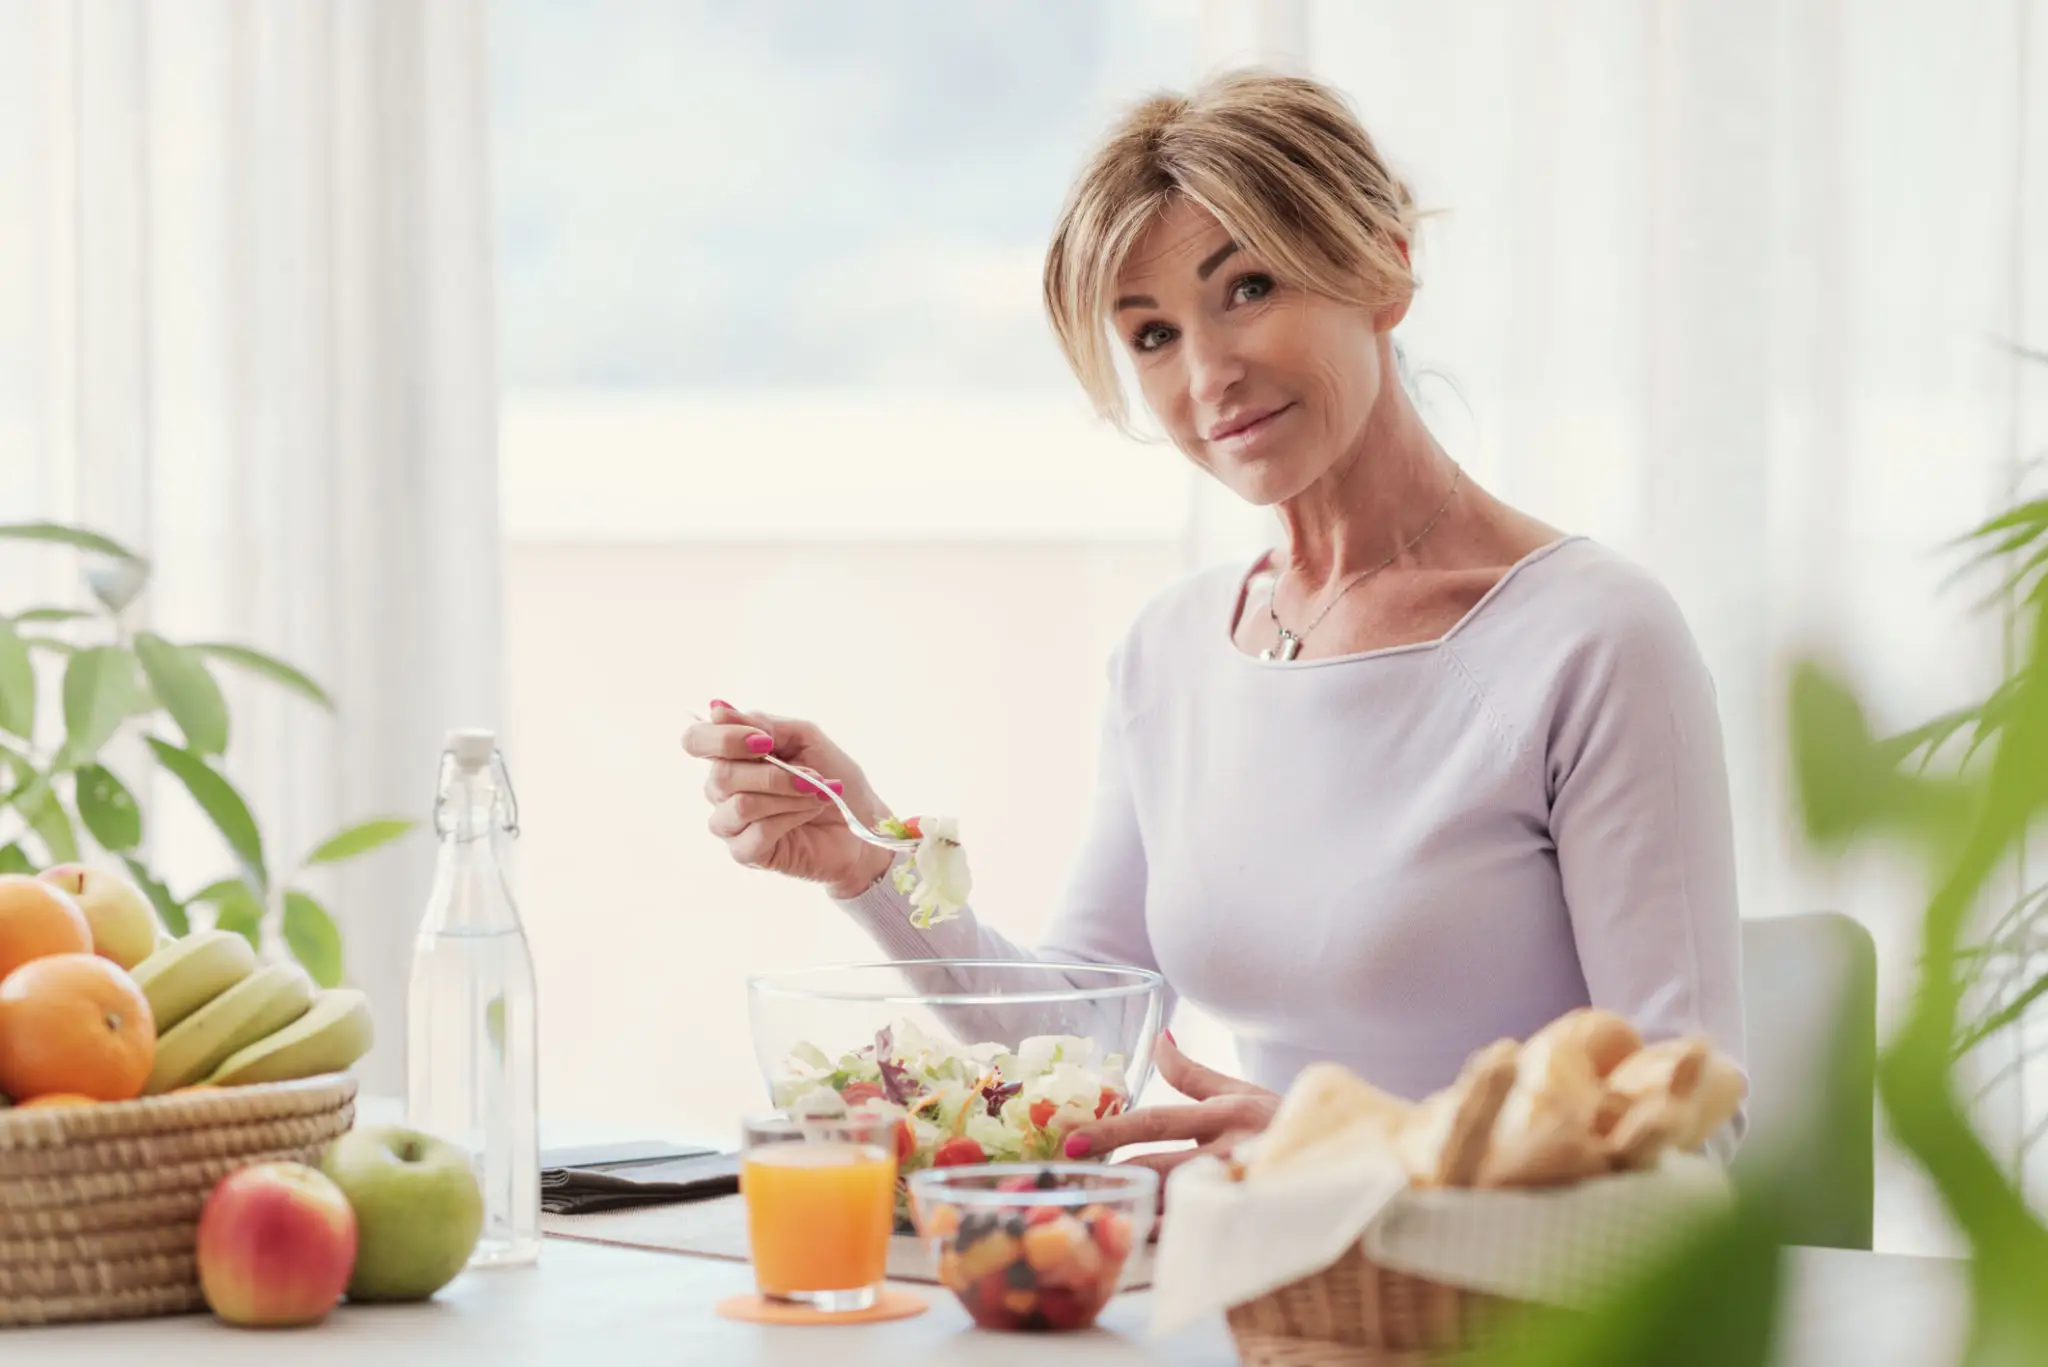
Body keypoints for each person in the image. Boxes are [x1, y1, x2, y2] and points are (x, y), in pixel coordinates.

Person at [683, 69, 1746, 1178]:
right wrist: (869, 861)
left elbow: (1688, 1128)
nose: (1208, 375)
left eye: (1245, 287)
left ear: (1384, 264)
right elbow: (1080, 1035)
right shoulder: (1171, 651)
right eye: (1149, 335)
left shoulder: (1594, 639)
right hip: (1287, 1309)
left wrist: (1346, 1152)